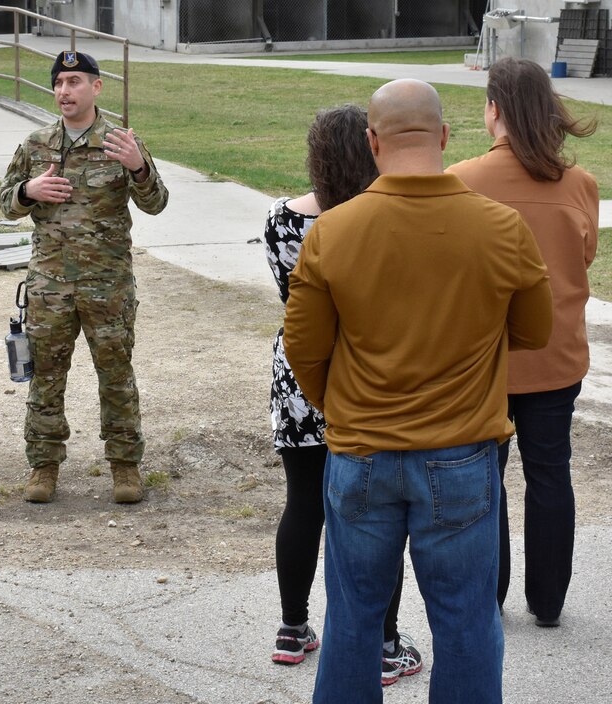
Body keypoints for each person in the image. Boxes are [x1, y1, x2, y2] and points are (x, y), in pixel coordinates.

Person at [283, 79, 553, 703]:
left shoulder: (333, 232)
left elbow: (304, 347)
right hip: (461, 451)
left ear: (373, 142)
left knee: (351, 620)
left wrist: (339, 408)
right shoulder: (501, 227)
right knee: (465, 620)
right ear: (443, 137)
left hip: (360, 453)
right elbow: (535, 332)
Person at [264, 104, 420, 685]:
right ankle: (384, 639)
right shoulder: (386, 217)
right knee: (376, 515)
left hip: (301, 375)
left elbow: (291, 298)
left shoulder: (282, 219)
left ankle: (292, 626)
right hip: (367, 376)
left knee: (303, 501)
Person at [447, 57, 599, 628]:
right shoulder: (580, 185)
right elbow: (581, 259)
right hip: (556, 356)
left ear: (495, 110)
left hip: (485, 359)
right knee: (550, 471)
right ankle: (549, 601)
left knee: (488, 475)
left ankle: (493, 590)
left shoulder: (461, 180)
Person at [0, 50, 169, 504]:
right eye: (58, 83)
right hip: (49, 289)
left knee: (115, 374)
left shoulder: (120, 142)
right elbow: (4, 203)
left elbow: (156, 203)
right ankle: (43, 466)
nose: (63, 91)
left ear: (96, 87)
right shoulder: (36, 144)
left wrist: (138, 166)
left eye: (74, 82)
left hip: (106, 286)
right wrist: (27, 191)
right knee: (46, 376)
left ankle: (125, 466)